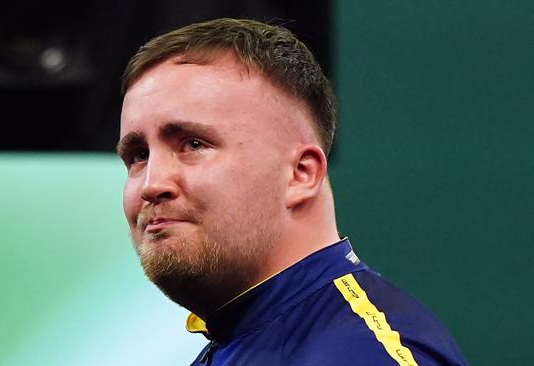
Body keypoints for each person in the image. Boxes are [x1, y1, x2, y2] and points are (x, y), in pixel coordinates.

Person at [117, 18, 467, 365]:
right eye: (138, 156)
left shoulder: (363, 354)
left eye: (193, 144)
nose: (152, 184)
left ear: (301, 174)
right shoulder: (238, 340)